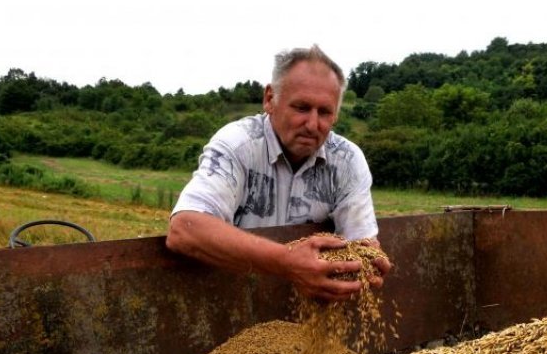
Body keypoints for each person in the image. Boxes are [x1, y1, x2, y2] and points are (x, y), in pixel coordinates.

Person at [166, 45, 392, 302]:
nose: (312, 124)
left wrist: (369, 260)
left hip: (306, 318)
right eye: (301, 108)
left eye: (324, 112)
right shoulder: (238, 144)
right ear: (270, 99)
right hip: (230, 302)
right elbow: (185, 229)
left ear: (336, 115)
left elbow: (361, 242)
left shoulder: (347, 160)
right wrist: (288, 263)